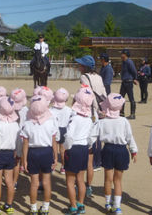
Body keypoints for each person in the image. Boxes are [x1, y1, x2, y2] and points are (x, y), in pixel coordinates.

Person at [90, 93, 138, 215]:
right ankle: (117, 207)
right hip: (121, 150)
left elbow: (92, 136)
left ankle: (107, 203)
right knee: (118, 180)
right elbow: (129, 137)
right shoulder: (124, 121)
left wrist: (88, 146)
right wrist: (133, 150)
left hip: (107, 150)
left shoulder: (102, 122)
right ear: (121, 107)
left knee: (108, 179)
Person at [75, 55, 107, 197]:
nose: (79, 67)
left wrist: (95, 109)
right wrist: (102, 110)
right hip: (99, 113)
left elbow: (88, 96)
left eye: (80, 65)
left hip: (89, 112)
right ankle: (89, 186)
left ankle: (80, 184)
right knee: (92, 152)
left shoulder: (84, 78)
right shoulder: (98, 77)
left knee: (85, 151)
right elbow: (104, 94)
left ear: (85, 67)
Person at [21, 95, 58, 215]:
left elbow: (25, 144)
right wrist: (56, 157)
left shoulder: (27, 124)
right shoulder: (50, 122)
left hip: (33, 153)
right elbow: (54, 142)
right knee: (46, 182)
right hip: (47, 152)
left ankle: (33, 209)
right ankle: (46, 208)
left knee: (34, 183)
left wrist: (24, 160)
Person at [63, 87, 95, 215]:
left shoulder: (74, 118)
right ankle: (81, 204)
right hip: (83, 149)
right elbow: (91, 137)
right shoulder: (89, 119)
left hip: (73, 148)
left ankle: (73, 207)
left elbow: (69, 136)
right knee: (80, 179)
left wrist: (66, 148)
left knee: (70, 181)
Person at [49, 88, 72, 175]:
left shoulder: (51, 110)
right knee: (62, 150)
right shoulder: (69, 110)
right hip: (64, 129)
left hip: (53, 130)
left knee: (52, 149)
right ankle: (63, 166)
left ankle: (52, 166)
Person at [119, 49, 138, 120]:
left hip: (129, 82)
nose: (121, 55)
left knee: (131, 98)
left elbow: (134, 71)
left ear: (126, 54)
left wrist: (135, 79)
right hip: (124, 82)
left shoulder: (129, 62)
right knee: (121, 98)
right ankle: (121, 113)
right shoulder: (123, 62)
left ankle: (133, 114)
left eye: (122, 54)